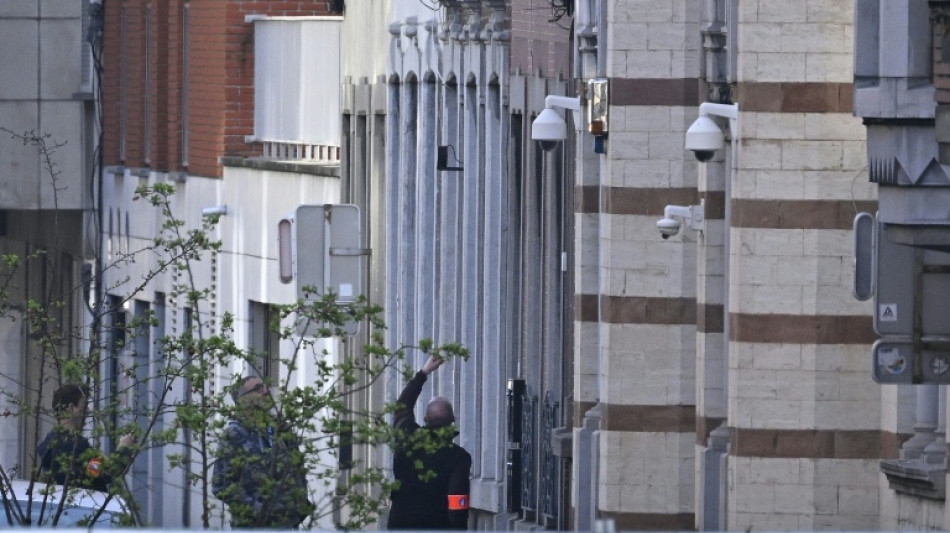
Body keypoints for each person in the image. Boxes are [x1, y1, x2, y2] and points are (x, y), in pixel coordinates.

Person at [212, 376, 313, 529]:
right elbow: (221, 486)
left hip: (286, 524)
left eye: (266, 387)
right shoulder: (235, 435)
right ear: (243, 399)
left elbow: (298, 469)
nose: (266, 392)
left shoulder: (281, 431)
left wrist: (301, 505)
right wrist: (259, 510)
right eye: (258, 388)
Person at [388, 355, 472, 530]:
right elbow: (457, 503)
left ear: (425, 419)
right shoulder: (458, 457)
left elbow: (402, 406)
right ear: (452, 420)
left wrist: (423, 373)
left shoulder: (407, 438)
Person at [36, 384, 133, 493]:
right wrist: (124, 447)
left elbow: (92, 471)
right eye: (84, 405)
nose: (88, 410)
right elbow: (109, 471)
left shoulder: (51, 441)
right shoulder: (76, 446)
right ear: (71, 408)